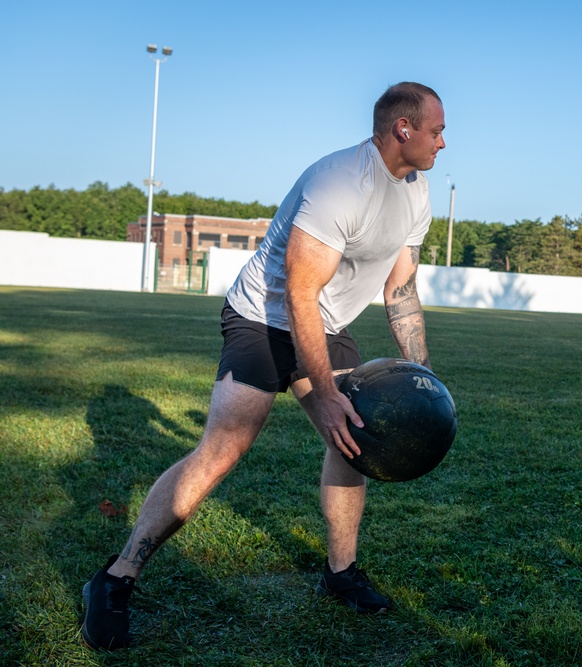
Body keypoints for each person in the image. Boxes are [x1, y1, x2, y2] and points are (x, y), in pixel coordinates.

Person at [82, 82, 446, 650]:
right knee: (223, 449)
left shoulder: (417, 192)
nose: (442, 143)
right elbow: (299, 292)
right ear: (403, 128)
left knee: (354, 435)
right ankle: (114, 579)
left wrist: (424, 376)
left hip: (322, 321)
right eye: (436, 130)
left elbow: (401, 287)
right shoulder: (339, 184)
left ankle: (340, 572)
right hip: (263, 314)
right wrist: (323, 393)